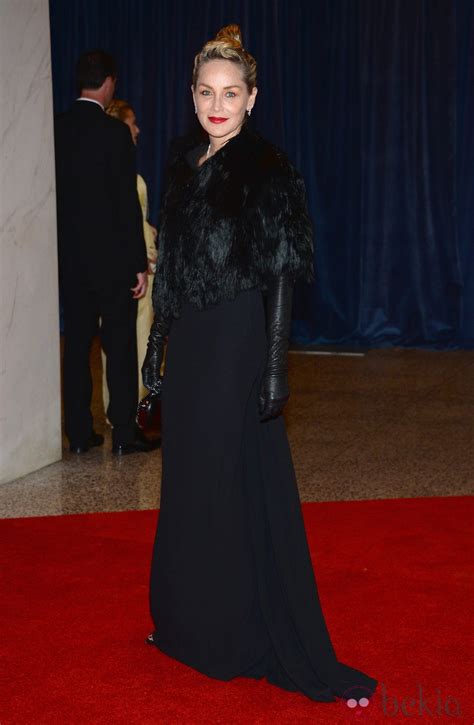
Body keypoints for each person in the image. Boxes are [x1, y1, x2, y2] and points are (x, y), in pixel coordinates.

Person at [142, 25, 378, 704]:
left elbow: (281, 274)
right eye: (207, 93)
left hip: (239, 339)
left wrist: (276, 365)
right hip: (190, 345)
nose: (219, 105)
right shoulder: (183, 162)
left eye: (232, 94)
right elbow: (177, 269)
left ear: (253, 98)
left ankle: (237, 633)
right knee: (187, 480)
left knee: (227, 479)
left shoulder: (268, 167)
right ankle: (186, 624)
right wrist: (159, 346)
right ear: (192, 96)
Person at [54, 50, 157, 456]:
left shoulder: (56, 129)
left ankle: (79, 434)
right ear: (109, 82)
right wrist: (138, 265)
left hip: (73, 263)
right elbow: (126, 206)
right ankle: (125, 435)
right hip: (114, 262)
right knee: (119, 346)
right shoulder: (115, 134)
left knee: (76, 346)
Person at [101, 99, 158, 412]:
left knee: (114, 344)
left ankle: (117, 408)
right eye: (133, 123)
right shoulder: (130, 178)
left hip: (111, 268)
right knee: (139, 339)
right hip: (138, 269)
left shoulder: (105, 172)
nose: (137, 129)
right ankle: (137, 408)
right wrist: (149, 257)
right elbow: (131, 224)